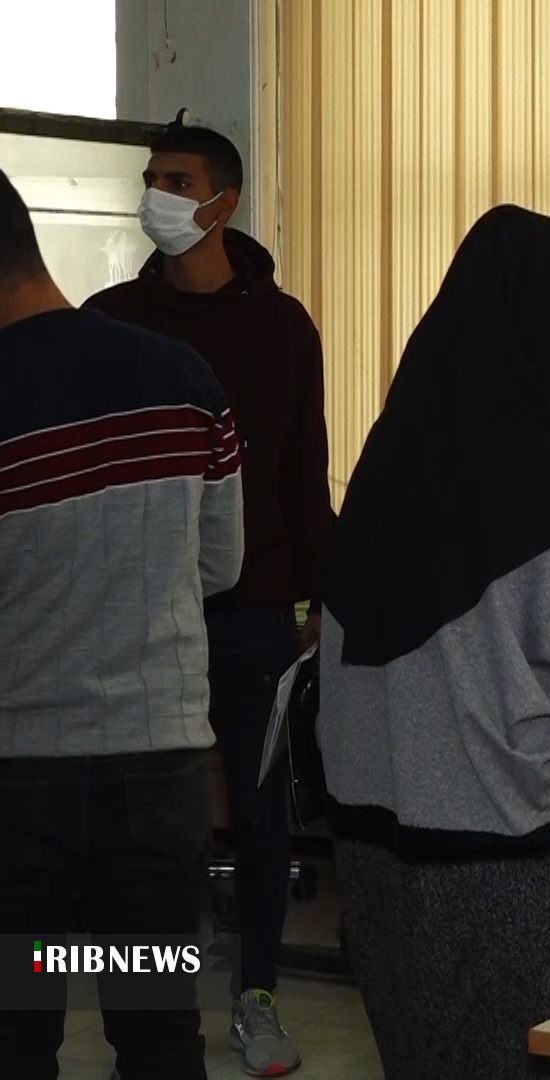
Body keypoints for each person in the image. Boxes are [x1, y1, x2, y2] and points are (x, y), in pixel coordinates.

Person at [318, 205, 550, 1080]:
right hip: (523, 863)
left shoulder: (389, 462)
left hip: (379, 853)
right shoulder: (542, 492)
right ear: (536, 334)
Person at [83, 115, 332, 1077]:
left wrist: (319, 599)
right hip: (135, 615)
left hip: (253, 612)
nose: (157, 195)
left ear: (223, 202)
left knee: (259, 819)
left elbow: (301, 473)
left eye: (177, 182)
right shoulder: (109, 320)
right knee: (144, 826)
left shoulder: (281, 325)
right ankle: (152, 1010)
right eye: (151, 178)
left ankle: (255, 996)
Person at [0, 166, 242, 1080]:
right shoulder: (184, 376)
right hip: (159, 777)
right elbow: (220, 564)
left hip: (20, 785)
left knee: (19, 1029)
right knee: (158, 1033)